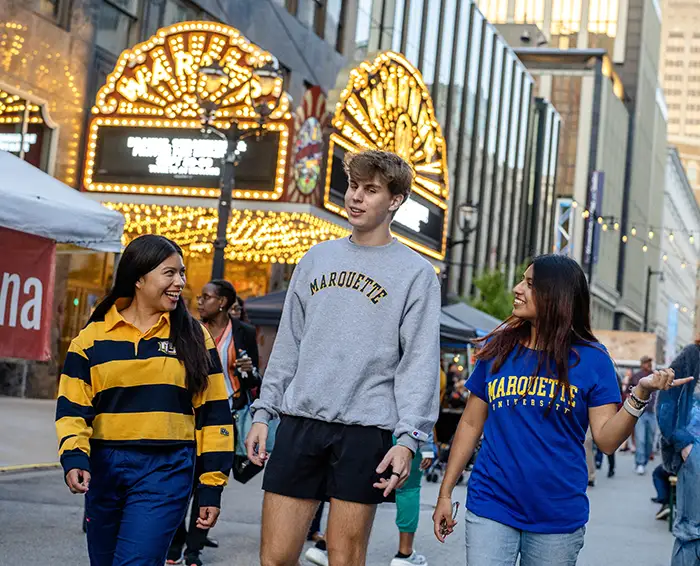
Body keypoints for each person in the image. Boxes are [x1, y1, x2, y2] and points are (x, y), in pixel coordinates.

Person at [246, 149, 441, 566]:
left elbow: (419, 364)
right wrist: (264, 412)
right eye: (354, 186)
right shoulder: (316, 258)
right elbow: (289, 345)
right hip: (301, 422)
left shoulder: (416, 273)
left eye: (370, 190)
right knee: (275, 558)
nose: (356, 197)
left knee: (344, 559)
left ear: (395, 201)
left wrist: (408, 439)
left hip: (364, 429)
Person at [432, 255, 687, 565]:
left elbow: (606, 441)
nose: (517, 289)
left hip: (557, 514)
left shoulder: (593, 359)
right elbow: (471, 425)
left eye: (529, 284)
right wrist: (445, 493)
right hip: (492, 502)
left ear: (556, 296)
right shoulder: (499, 349)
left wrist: (640, 394)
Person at [55, 235, 233, 566]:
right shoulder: (91, 339)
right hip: (105, 469)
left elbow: (215, 416)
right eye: (170, 273)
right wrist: (74, 457)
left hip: (166, 470)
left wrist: (211, 485)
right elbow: (72, 409)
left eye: (182, 273)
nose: (180, 282)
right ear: (139, 278)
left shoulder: (194, 336)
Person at [167, 279, 260, 566]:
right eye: (199, 297)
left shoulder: (243, 333)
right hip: (191, 417)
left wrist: (247, 370)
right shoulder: (189, 329)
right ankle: (176, 541)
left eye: (207, 297)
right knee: (181, 483)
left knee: (209, 485)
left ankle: (193, 550)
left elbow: (254, 381)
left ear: (223, 303)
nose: (199, 301)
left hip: (225, 419)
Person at [657, 338, 700, 565]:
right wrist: (682, 443)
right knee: (691, 532)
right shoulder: (693, 354)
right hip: (695, 451)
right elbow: (667, 398)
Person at [630, 355, 657, 474]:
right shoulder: (636, 377)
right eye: (646, 362)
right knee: (640, 439)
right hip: (640, 412)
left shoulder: (656, 375)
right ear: (642, 364)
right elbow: (628, 392)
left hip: (652, 412)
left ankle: (644, 461)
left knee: (650, 440)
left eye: (650, 362)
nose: (648, 364)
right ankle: (640, 463)